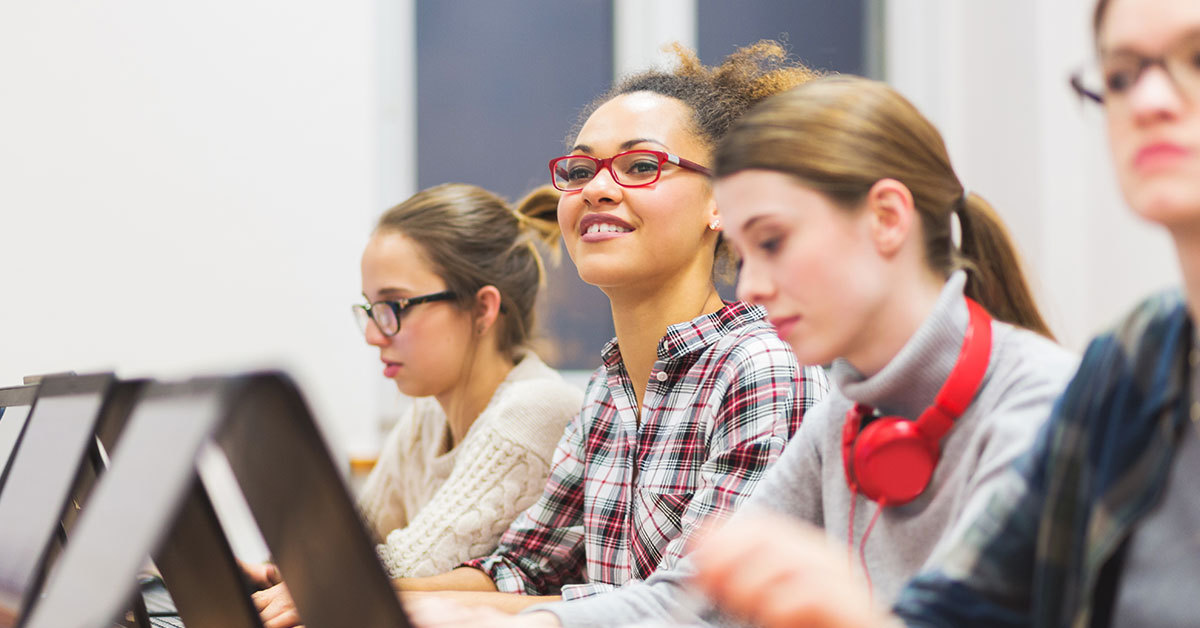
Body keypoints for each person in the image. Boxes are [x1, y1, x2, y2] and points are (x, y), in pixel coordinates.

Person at [695, 0, 1200, 627]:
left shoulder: (1044, 392)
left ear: (888, 218)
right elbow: (965, 607)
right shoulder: (1135, 355)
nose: (1147, 101)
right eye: (1121, 74)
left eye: (1197, 58)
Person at [383, 41, 830, 620]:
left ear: (723, 202)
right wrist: (353, 594)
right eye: (579, 168)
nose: (595, 188)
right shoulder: (608, 390)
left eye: (641, 166)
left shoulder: (763, 367)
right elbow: (521, 569)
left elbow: (698, 607)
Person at [249, 183, 584, 622]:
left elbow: (399, 568)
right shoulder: (428, 414)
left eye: (394, 306)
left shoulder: (535, 408)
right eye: (370, 309)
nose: (372, 334)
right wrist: (272, 574)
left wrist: (306, 576)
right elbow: (351, 547)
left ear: (483, 308)